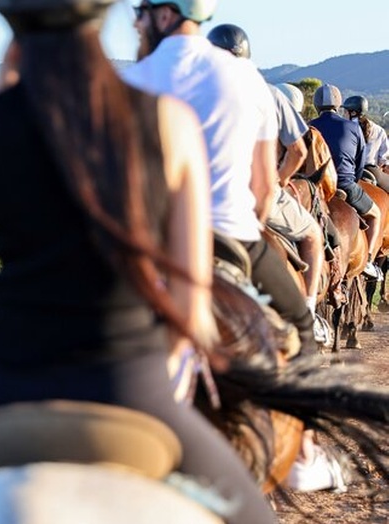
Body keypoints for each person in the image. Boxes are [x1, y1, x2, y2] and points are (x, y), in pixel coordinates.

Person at [0, 1, 275, 522]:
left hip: (2, 376)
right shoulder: (170, 121)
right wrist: (162, 371)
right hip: (129, 378)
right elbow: (191, 302)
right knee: (252, 514)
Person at [122, 1, 317, 357]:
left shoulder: (129, 81)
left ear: (165, 15)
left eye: (141, 13)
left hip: (152, 244)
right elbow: (264, 189)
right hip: (232, 237)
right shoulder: (249, 79)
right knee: (302, 327)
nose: (136, 24)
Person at [207, 24, 328, 344]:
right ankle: (309, 311)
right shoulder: (268, 93)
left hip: (201, 197)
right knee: (313, 235)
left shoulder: (191, 90)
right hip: (251, 193)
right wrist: (281, 178)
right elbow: (298, 151)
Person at [310, 84, 384, 281]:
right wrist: (352, 180)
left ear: (316, 105)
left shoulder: (309, 126)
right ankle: (368, 261)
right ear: (337, 104)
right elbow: (360, 163)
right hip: (345, 185)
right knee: (375, 215)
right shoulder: (353, 127)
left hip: (317, 188)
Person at [342, 94, 389, 192]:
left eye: (345, 112)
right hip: (372, 170)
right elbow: (383, 160)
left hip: (347, 169)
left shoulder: (344, 129)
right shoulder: (379, 130)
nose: (343, 115)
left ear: (353, 113)